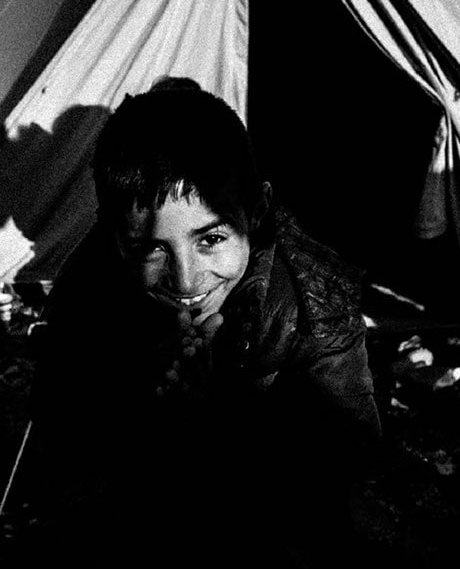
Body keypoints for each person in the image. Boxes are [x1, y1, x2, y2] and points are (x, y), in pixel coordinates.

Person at [21, 77, 383, 567]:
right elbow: (59, 435)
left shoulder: (314, 308)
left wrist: (222, 412)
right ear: (115, 236)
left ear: (256, 211)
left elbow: (343, 466)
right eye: (150, 248)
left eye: (210, 240)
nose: (186, 280)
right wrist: (141, 399)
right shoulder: (94, 282)